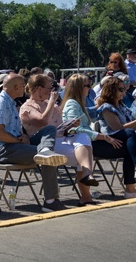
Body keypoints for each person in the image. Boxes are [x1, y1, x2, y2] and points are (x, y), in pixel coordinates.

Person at [0, 73, 68, 212]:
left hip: (14, 145)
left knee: (49, 130)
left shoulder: (10, 102)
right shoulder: (1, 103)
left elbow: (11, 131)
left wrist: (22, 137)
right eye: (22, 86)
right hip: (2, 149)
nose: (25, 88)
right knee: (49, 158)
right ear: (15, 87)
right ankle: (50, 201)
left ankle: (45, 151)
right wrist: (18, 139)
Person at [21, 74, 101, 205]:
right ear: (39, 89)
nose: (52, 91)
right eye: (49, 88)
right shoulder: (27, 107)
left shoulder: (50, 104)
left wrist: (70, 125)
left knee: (83, 138)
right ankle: (86, 192)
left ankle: (87, 176)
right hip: (44, 146)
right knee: (85, 156)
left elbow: (60, 127)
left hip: (60, 139)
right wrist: (52, 102)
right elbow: (43, 121)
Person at [93, 75, 136, 194]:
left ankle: (134, 187)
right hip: (111, 140)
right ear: (111, 90)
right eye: (120, 89)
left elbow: (132, 126)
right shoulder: (106, 107)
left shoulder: (121, 106)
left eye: (124, 89)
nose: (124, 92)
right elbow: (117, 128)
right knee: (131, 139)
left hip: (125, 140)